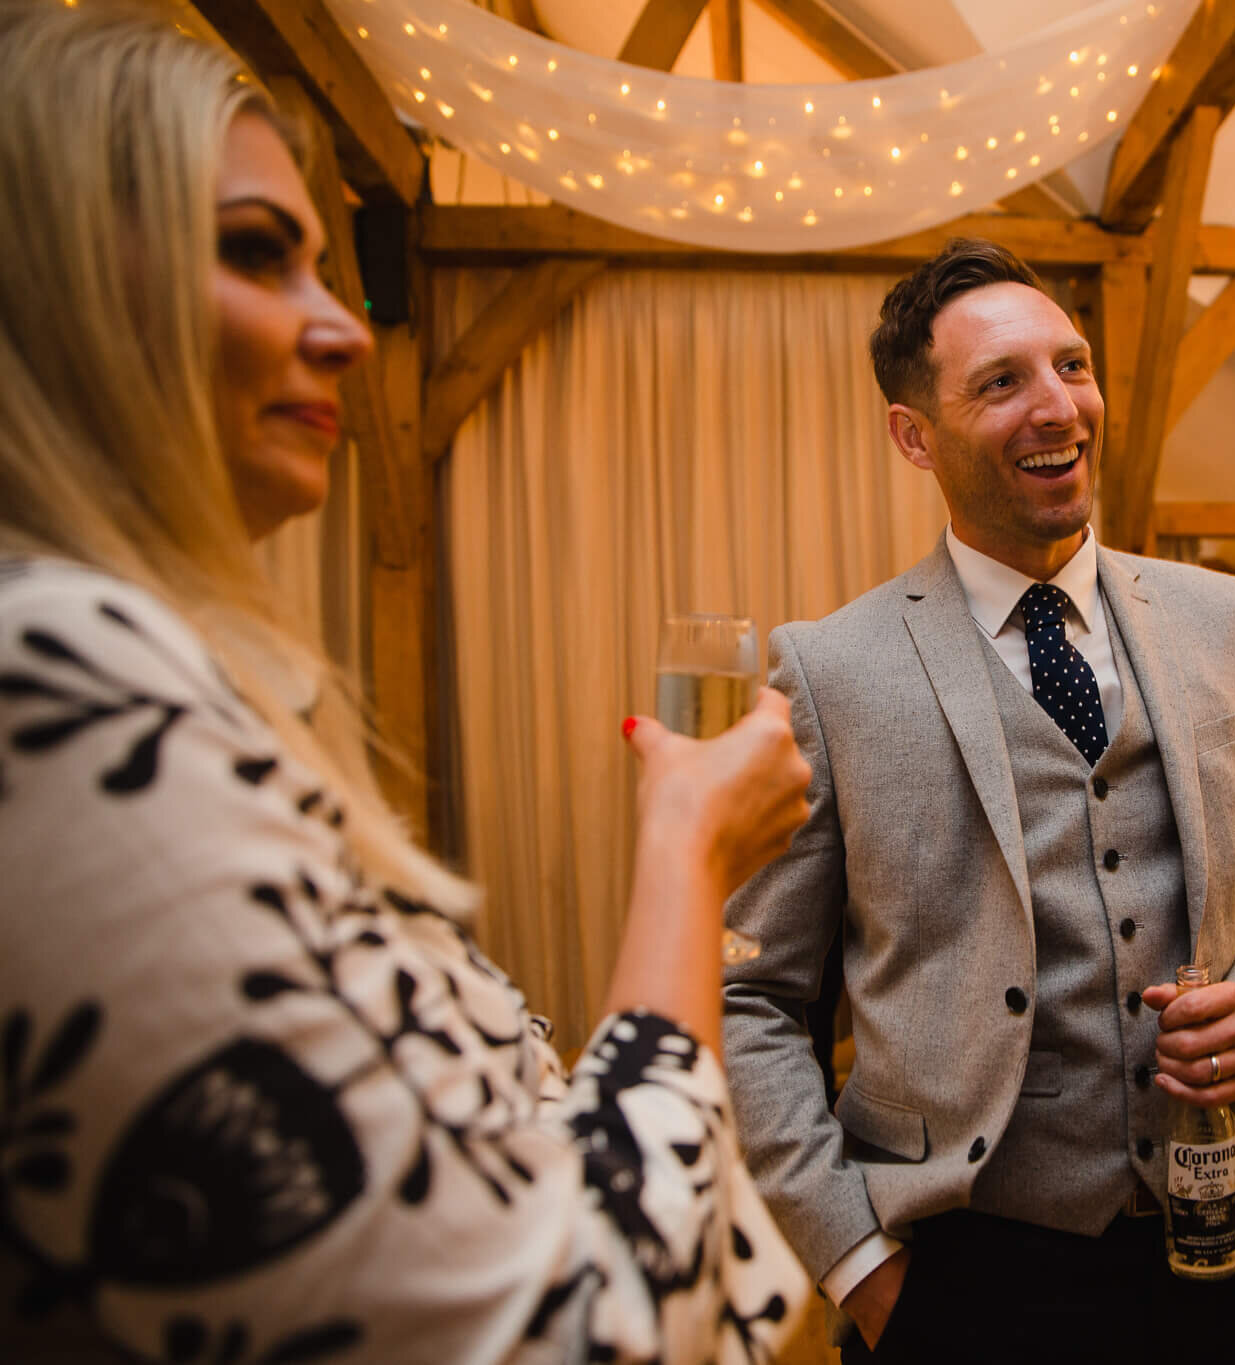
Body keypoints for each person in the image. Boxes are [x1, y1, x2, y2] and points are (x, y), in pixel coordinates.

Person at [0, 8, 810, 1361]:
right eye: (261, 254)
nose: (348, 331)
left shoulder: (174, 667)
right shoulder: (55, 679)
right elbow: (564, 1335)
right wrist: (688, 849)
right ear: (57, 272)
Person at [719, 238, 1235, 1363]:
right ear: (913, 434)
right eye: (1001, 381)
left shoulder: (1218, 618)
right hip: (967, 1276)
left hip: (1231, 1251)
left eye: (1072, 365)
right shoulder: (829, 669)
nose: (1057, 406)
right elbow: (754, 1002)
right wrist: (862, 1269)